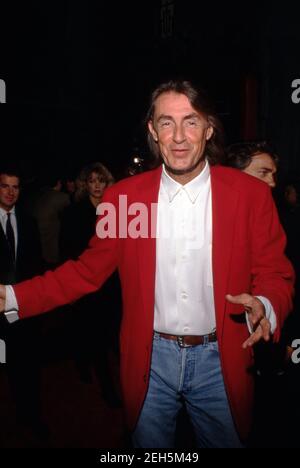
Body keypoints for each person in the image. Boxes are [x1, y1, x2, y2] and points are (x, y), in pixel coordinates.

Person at [0, 80, 294, 448]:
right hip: (150, 362)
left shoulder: (249, 195)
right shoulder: (124, 197)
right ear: (153, 132)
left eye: (191, 121)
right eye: (167, 123)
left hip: (222, 362)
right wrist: (12, 296)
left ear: (209, 129)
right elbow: (86, 272)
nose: (179, 137)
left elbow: (275, 272)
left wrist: (266, 304)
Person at [59, 162, 121, 406]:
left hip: (113, 285)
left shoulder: (116, 211)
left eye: (101, 181)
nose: (97, 186)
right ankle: (105, 386)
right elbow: (67, 252)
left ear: (107, 183)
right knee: (91, 333)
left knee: (112, 333)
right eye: (92, 181)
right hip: (85, 284)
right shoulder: (73, 213)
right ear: (85, 184)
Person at [0, 165, 47, 438]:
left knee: (28, 367)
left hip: (23, 310)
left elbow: (36, 266)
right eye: (5, 186)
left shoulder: (29, 221)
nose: (10, 192)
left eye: (15, 187)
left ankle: (31, 416)